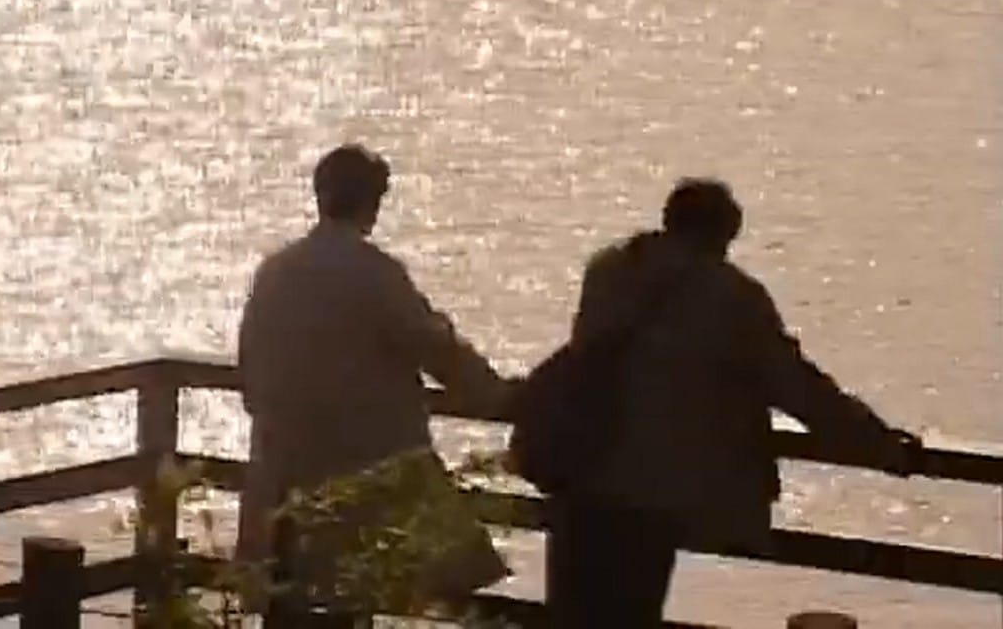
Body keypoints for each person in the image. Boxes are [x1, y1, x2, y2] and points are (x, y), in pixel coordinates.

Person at [543, 178, 922, 627]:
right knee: (631, 614)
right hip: (648, 494)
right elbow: (798, 388)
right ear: (724, 234)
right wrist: (876, 443)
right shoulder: (731, 297)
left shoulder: (607, 271)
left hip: (576, 475)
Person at [235, 143, 513, 626]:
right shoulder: (375, 273)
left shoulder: (275, 271)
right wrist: (498, 395)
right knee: (350, 599)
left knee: (290, 604)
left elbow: (250, 375)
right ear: (373, 202)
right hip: (358, 471)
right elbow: (435, 350)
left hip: (283, 468)